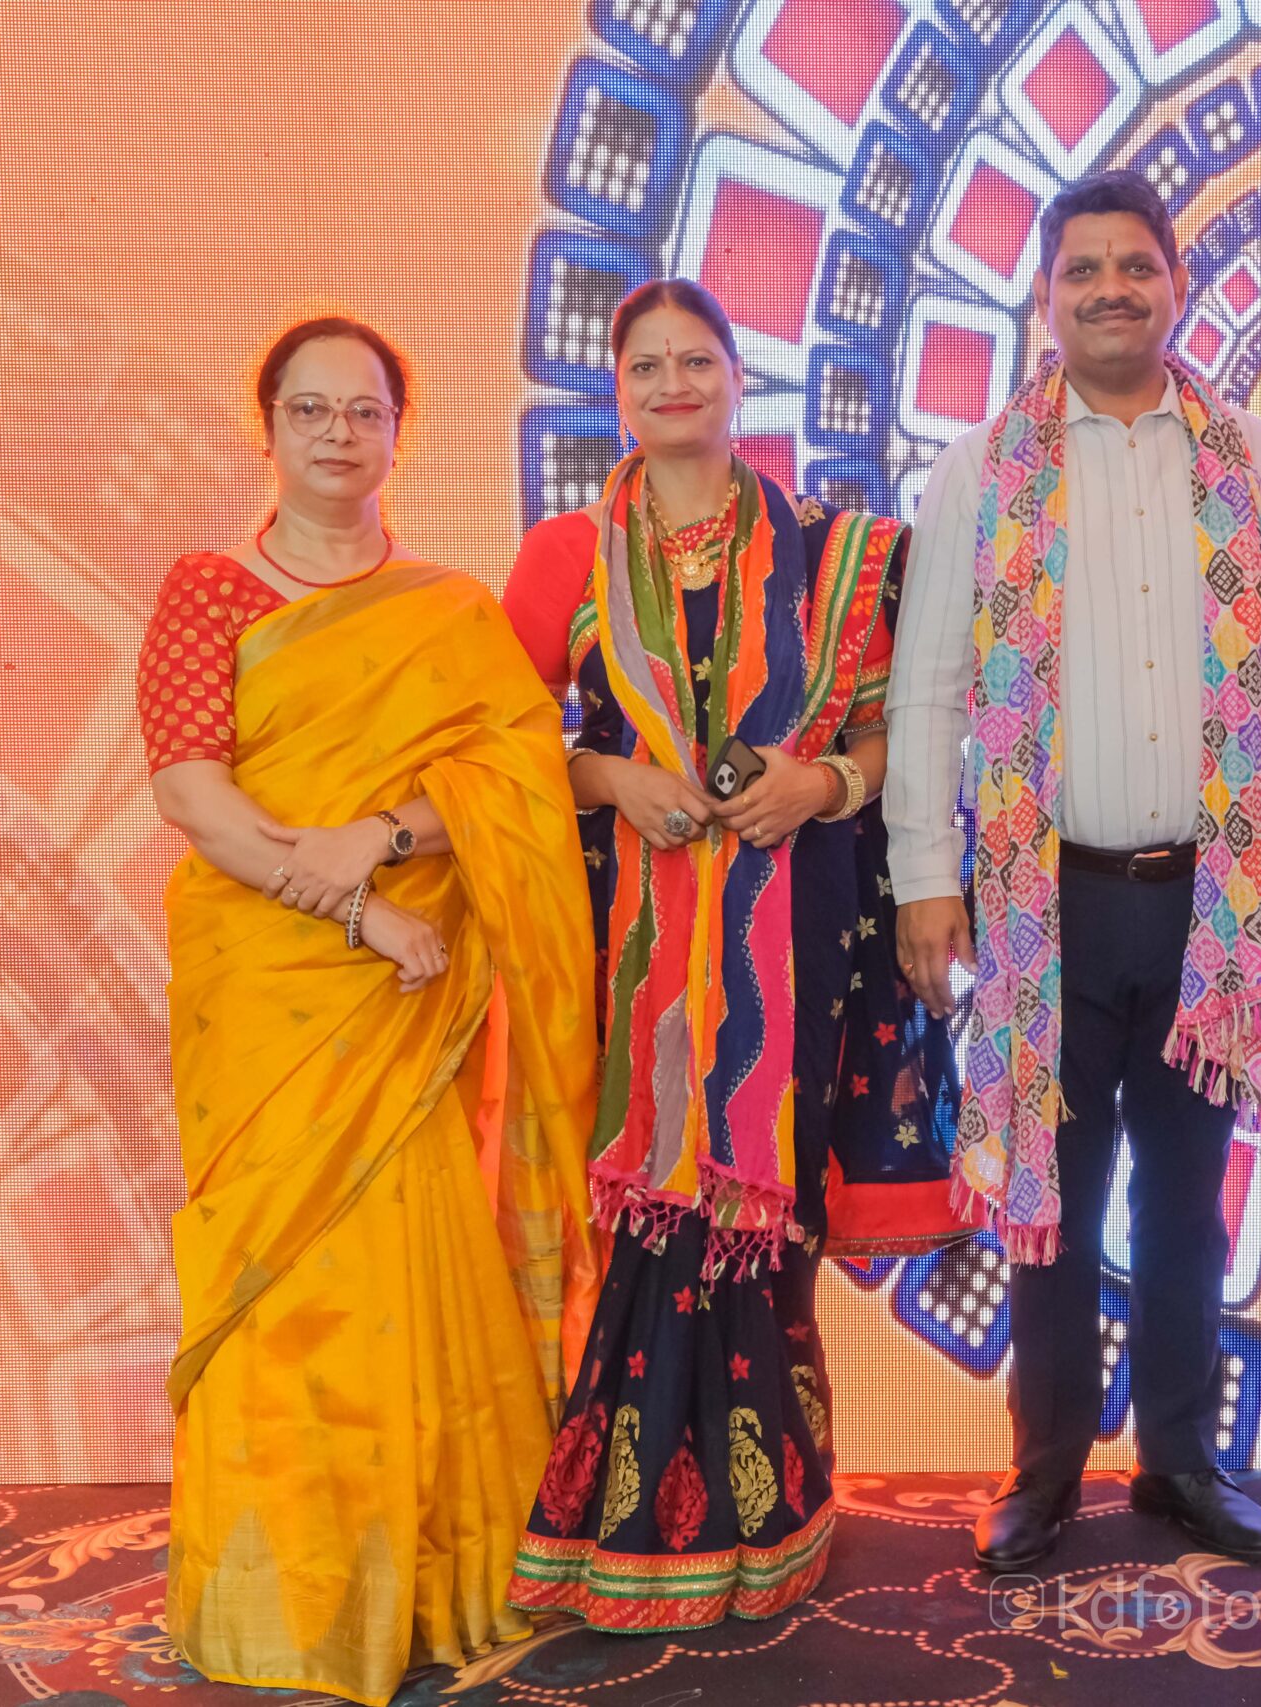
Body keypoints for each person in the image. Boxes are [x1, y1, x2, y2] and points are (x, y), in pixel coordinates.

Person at [887, 169, 1261, 1574]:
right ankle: (1043, 1469)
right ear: (1048, 297)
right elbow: (929, 689)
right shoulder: (984, 469)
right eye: (1083, 270)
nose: (1111, 290)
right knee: (1051, 1193)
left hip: (1215, 900)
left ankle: (1183, 1463)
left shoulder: (1251, 458)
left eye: (1134, 267)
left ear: (1175, 285)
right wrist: (924, 874)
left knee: (1186, 1201)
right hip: (1048, 905)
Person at [141, 317, 599, 1705]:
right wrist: (351, 907)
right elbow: (195, 795)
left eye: (364, 410)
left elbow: (514, 781)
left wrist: (387, 837)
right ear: (267, 426)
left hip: (410, 997)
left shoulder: (447, 613)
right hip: (268, 989)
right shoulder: (209, 592)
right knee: (283, 1283)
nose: (338, 433)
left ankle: (438, 1581)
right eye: (311, 409)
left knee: (411, 1267)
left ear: (400, 430)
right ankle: (292, 1594)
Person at [499, 278, 964, 1632]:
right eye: (645, 365)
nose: (672, 383)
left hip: (799, 939)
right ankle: (631, 1523)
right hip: (630, 945)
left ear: (736, 377)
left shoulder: (836, 552)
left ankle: (774, 1517)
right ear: (617, 393)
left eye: (695, 359)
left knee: (767, 1212)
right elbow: (497, 745)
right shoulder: (565, 557)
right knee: (658, 1219)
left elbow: (895, 734)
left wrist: (820, 787)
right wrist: (610, 778)